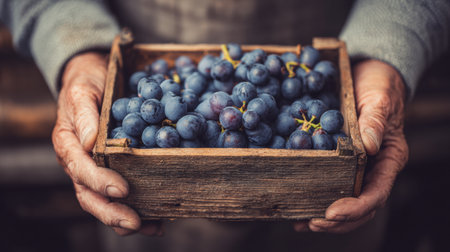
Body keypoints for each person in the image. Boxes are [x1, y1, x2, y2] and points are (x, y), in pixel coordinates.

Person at [0, 0, 449, 249]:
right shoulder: (171, 110)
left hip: (325, 208)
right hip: (158, 215)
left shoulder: (291, 103)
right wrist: (77, 51)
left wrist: (387, 53)